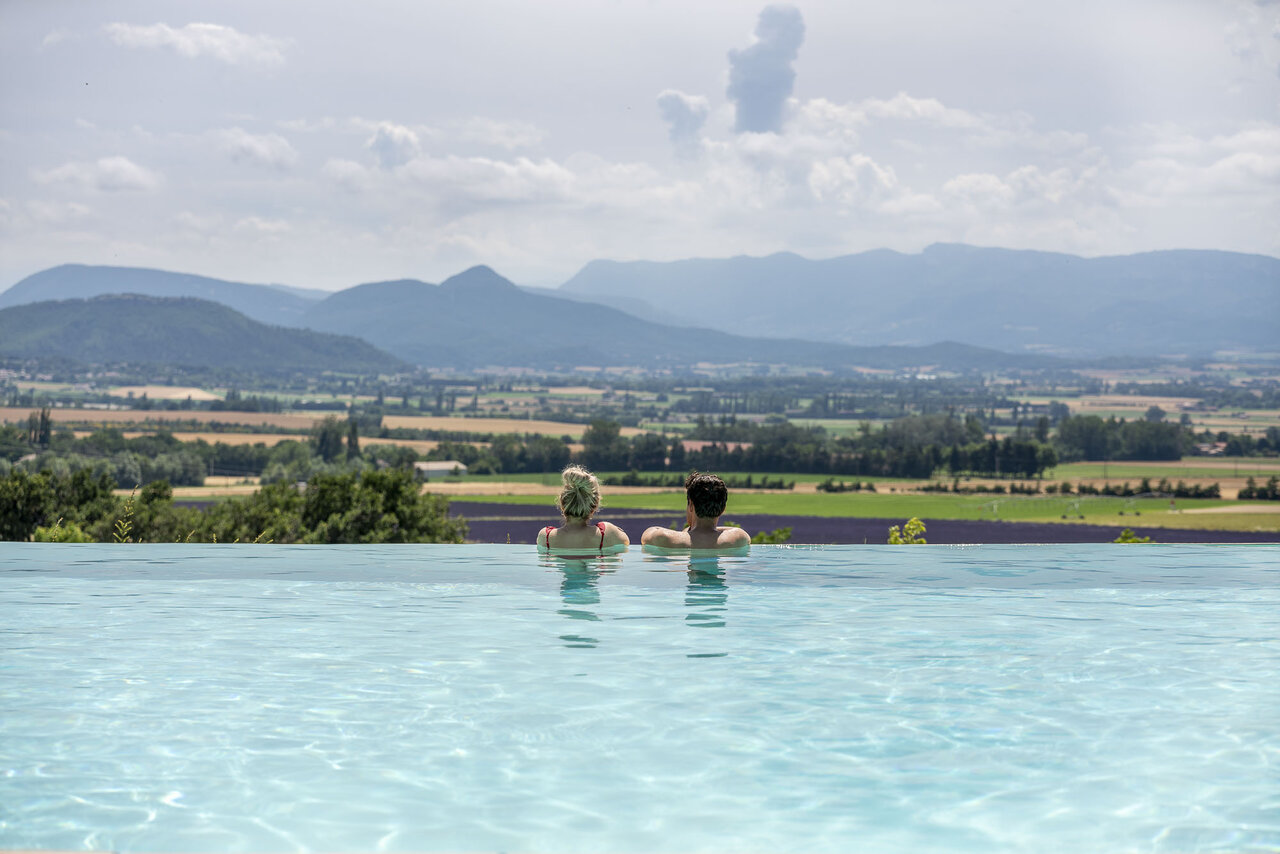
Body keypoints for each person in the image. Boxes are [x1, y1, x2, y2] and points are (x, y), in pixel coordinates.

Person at [641, 472, 751, 551]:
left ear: (691, 505)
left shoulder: (663, 538)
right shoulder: (738, 538)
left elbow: (648, 533)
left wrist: (688, 531)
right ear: (723, 509)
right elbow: (736, 531)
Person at [536, 465, 631, 554]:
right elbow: (626, 543)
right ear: (595, 504)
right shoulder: (607, 533)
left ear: (562, 503)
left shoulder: (545, 537)